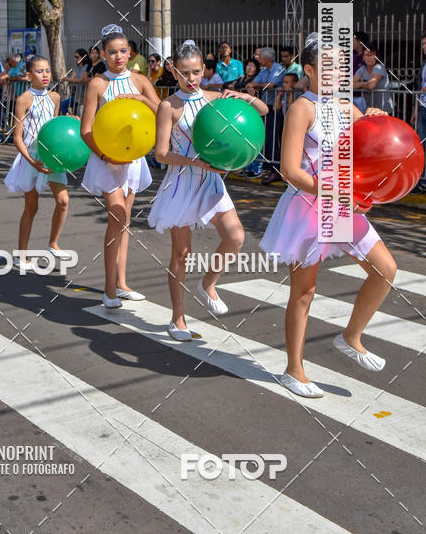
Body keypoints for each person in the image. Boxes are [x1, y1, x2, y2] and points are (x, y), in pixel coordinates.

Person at [260, 33, 396, 398]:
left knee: (385, 269)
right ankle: (294, 369)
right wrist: (335, 191)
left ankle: (351, 336)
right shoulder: (303, 107)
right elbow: (290, 170)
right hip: (307, 207)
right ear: (309, 69)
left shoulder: (347, 107)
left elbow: (367, 155)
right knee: (305, 292)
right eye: (329, 68)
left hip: (342, 206)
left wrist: (377, 120)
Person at [149, 40, 268, 340]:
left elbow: (263, 110)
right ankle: (177, 318)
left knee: (236, 236)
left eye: (196, 72)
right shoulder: (169, 105)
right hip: (183, 182)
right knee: (182, 253)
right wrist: (197, 162)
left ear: (204, 70)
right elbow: (161, 154)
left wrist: (241, 95)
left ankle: (208, 283)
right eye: (185, 73)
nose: (191, 79)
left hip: (210, 181)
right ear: (174, 72)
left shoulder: (215, 98)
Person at [80, 24, 159, 308]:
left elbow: (160, 111)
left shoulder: (140, 80)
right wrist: (104, 156)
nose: (118, 57)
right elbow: (86, 130)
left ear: (129, 51)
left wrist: (139, 97)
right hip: (107, 160)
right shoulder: (97, 84)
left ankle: (122, 283)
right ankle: (108, 289)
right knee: (116, 218)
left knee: (125, 222)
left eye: (123, 51)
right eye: (112, 52)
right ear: (103, 54)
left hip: (134, 159)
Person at [4, 55, 71, 272]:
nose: (45, 75)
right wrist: (32, 162)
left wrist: (71, 123)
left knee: (63, 201)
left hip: (51, 156)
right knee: (31, 208)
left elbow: (55, 128)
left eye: (47, 71)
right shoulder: (24, 99)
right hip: (31, 157)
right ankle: (21, 255)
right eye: (39, 71)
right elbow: (17, 137)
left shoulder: (55, 97)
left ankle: (53, 243)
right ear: (28, 75)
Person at [236, 46, 284, 184]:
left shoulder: (277, 68)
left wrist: (256, 86)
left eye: (260, 56)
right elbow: (253, 83)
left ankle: (277, 170)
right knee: (267, 139)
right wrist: (253, 86)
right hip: (266, 106)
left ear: (266, 58)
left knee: (273, 139)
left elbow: (270, 85)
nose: (258, 59)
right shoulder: (264, 70)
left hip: (276, 107)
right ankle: (272, 170)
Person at [353, 43, 394, 115]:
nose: (369, 58)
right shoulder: (362, 69)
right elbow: (350, 84)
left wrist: (360, 84)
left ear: (376, 57)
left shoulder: (379, 68)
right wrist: (366, 83)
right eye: (367, 55)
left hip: (383, 110)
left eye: (372, 55)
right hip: (369, 110)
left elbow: (372, 85)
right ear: (363, 57)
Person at [411, 34, 426, 192]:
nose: (424, 47)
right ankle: (421, 180)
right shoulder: (423, 64)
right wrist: (415, 110)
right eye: (422, 44)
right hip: (423, 108)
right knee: (421, 145)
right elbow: (419, 88)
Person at [61, 49, 89, 114]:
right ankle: (69, 120)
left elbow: (81, 80)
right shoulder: (77, 67)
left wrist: (65, 79)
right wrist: (66, 78)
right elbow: (72, 79)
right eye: (75, 57)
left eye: (77, 57)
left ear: (83, 57)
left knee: (82, 114)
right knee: (63, 105)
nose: (75, 59)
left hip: (86, 96)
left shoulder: (87, 66)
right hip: (78, 96)